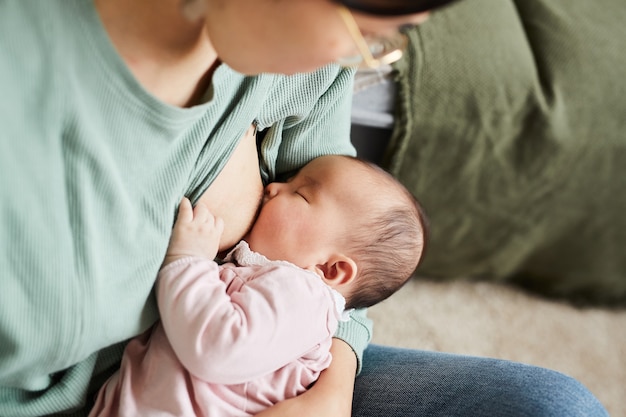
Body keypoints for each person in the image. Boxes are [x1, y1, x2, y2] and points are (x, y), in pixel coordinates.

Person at [0, 0, 608, 416]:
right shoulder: (27, 100)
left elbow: (352, 250)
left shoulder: (303, 67)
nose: (362, 55)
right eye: (365, 31)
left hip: (228, 381)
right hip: (98, 394)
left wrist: (333, 387)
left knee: (550, 406)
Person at [89, 154, 426, 416]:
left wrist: (189, 260)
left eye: (301, 193)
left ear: (331, 268)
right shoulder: (280, 287)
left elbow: (217, 349)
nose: (274, 187)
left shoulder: (303, 297)